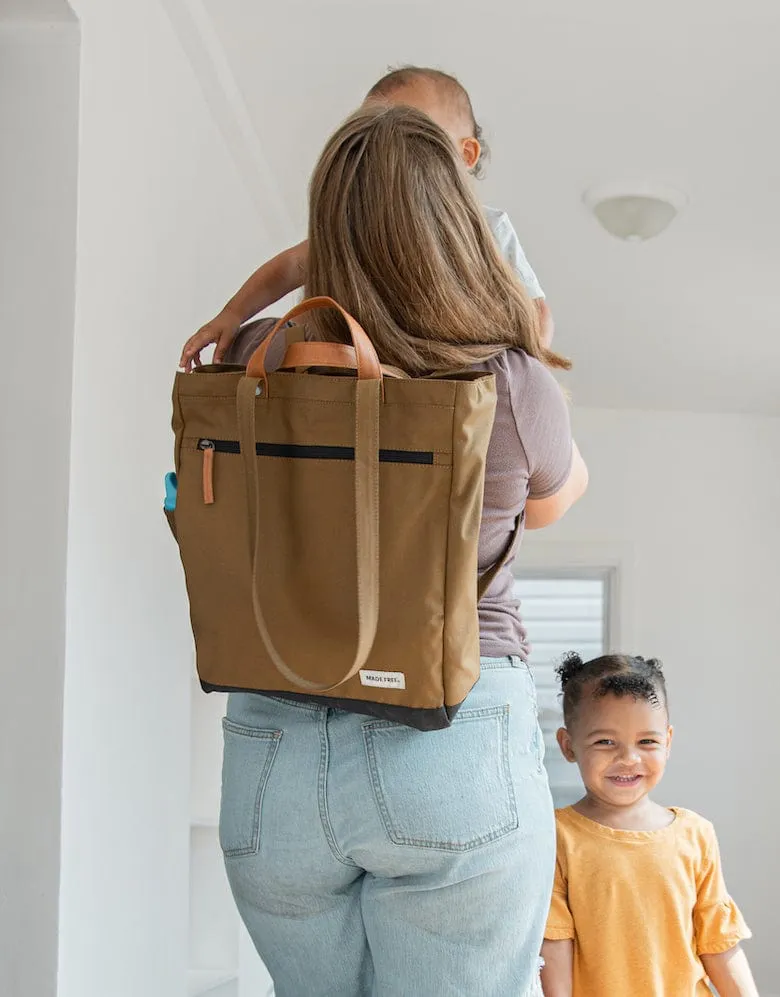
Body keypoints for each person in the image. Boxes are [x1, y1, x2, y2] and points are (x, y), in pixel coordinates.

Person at [214, 104, 588, 997]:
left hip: (274, 752)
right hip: (452, 734)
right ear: (454, 222)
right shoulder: (505, 374)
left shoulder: (255, 359)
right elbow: (552, 505)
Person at [179, 65, 553, 371]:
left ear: (464, 154)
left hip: (453, 368)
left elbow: (535, 312)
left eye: (412, 137)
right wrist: (232, 314)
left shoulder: (486, 230)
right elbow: (291, 265)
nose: (389, 154)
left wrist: (526, 369)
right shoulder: (359, 228)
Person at [540, 653, 759, 997]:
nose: (629, 759)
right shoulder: (555, 838)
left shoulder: (695, 834)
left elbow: (719, 943)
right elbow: (554, 946)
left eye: (647, 742)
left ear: (668, 742)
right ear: (568, 746)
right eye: (605, 742)